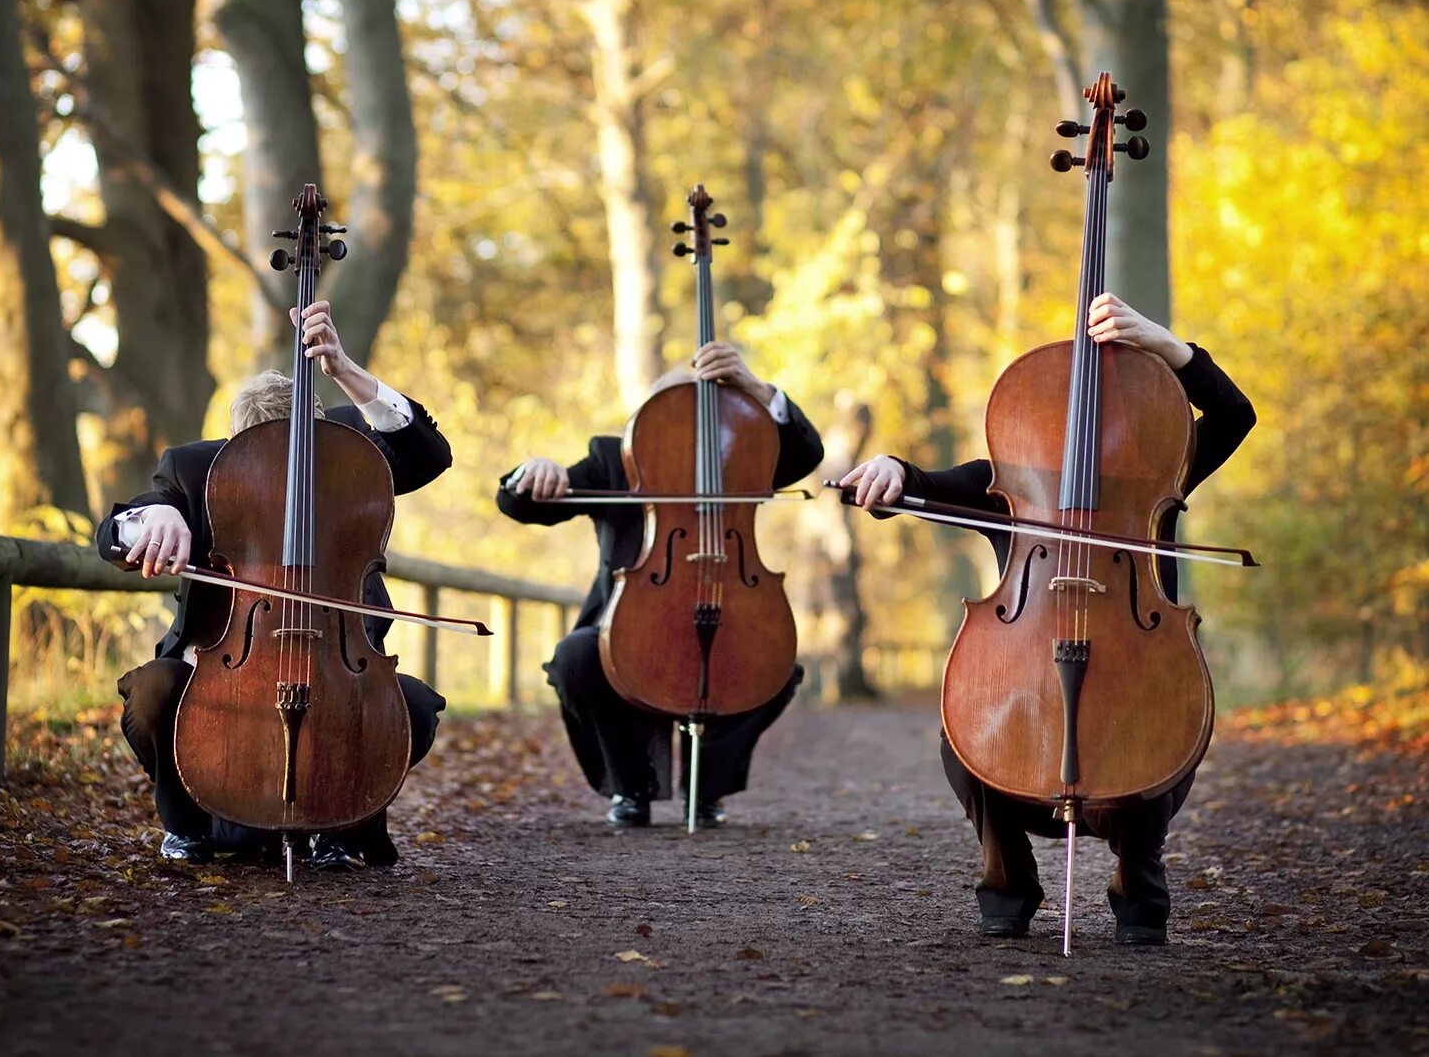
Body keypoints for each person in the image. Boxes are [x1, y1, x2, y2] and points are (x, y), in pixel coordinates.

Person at [841, 293, 1256, 945]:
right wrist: (892, 469)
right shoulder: (1006, 476)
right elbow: (921, 485)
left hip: (1134, 654)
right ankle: (1007, 878)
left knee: (1162, 719)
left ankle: (1137, 878)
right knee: (964, 729)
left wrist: (1165, 346)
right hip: (1030, 655)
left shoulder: (1153, 468)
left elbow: (1234, 414)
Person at [97, 300, 452, 870]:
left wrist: (345, 371)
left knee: (409, 707)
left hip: (340, 662)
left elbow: (429, 455)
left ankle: (338, 823)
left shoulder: (348, 462)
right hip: (229, 669)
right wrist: (154, 515)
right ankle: (189, 828)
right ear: (233, 447)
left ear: (321, 430)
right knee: (153, 691)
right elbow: (111, 538)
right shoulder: (196, 472)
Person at [497, 341, 824, 827]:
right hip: (632, 619)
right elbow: (525, 506)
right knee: (576, 658)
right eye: (674, 411)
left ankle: (707, 790)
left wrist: (754, 388)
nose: (690, 426)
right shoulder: (616, 460)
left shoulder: (745, 455)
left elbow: (805, 454)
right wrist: (531, 473)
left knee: (774, 665)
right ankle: (630, 788)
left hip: (731, 603)